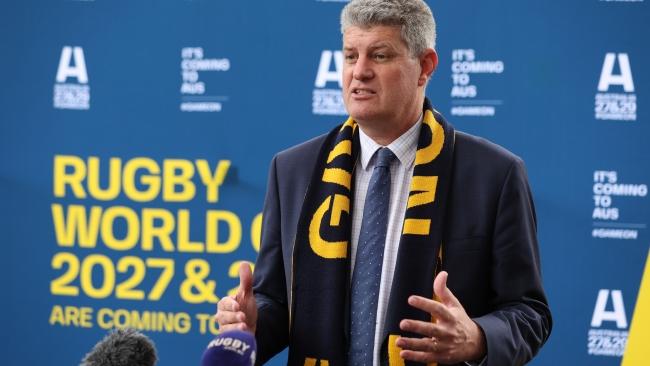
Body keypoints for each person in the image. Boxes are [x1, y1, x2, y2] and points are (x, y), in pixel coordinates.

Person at [215, 0, 552, 365]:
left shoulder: (494, 175)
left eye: (379, 56)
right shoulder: (292, 169)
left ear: (425, 66)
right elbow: (277, 302)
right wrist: (251, 324)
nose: (359, 72)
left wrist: (476, 338)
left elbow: (528, 312)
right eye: (349, 55)